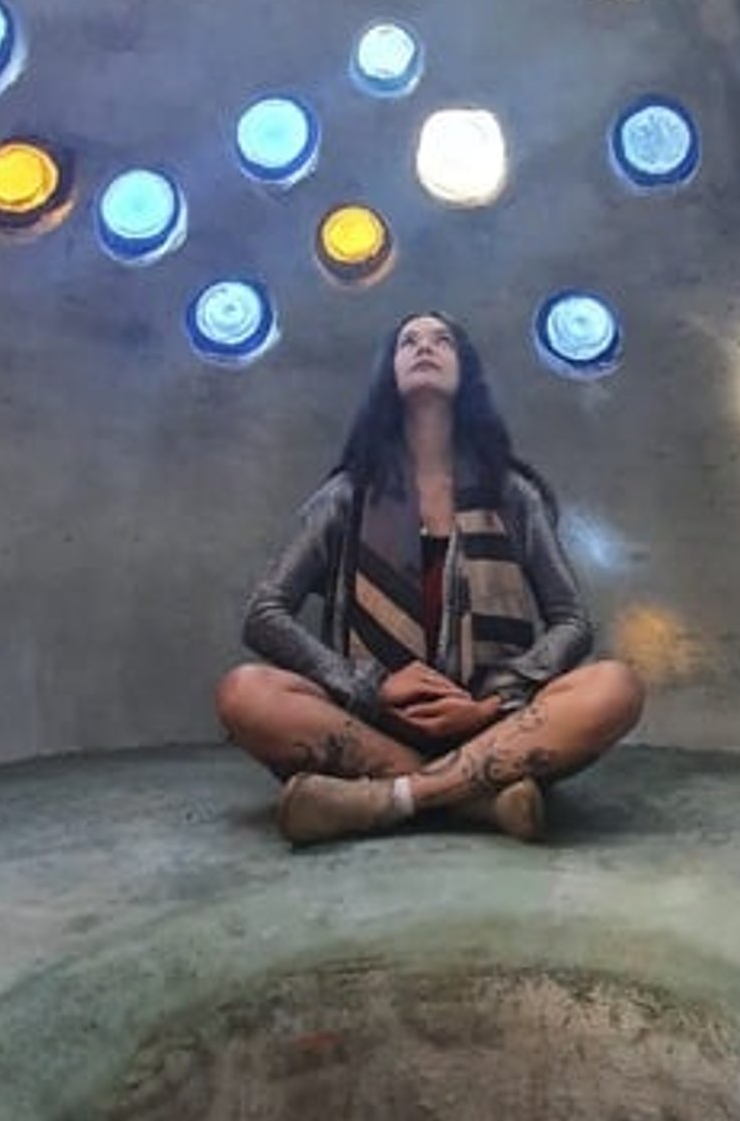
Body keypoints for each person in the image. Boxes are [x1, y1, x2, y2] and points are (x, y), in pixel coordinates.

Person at [216, 311, 644, 844]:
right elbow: (264, 614)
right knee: (245, 692)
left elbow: (571, 620)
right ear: (389, 372)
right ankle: (478, 797)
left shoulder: (512, 493)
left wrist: (492, 701)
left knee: (615, 685)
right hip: (374, 725)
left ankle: (391, 798)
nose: (425, 347)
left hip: (491, 723)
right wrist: (367, 687)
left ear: (465, 373)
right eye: (408, 341)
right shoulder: (347, 494)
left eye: (443, 341)